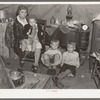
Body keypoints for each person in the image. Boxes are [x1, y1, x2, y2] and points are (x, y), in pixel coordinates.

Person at [13, 5, 41, 72]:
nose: (24, 14)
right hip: (20, 39)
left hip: (31, 38)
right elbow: (17, 35)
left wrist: (37, 30)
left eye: (25, 12)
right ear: (18, 12)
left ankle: (35, 64)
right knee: (25, 42)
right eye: (22, 12)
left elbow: (36, 26)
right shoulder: (16, 23)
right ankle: (23, 56)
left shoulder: (28, 19)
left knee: (38, 44)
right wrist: (27, 36)